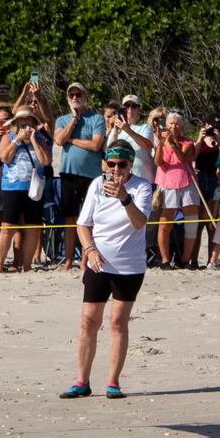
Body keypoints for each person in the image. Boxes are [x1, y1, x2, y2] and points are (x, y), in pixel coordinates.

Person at [61, 142, 152, 400]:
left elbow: (139, 222)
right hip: (98, 263)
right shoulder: (96, 186)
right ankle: (82, 380)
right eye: (111, 164)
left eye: (121, 164)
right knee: (88, 321)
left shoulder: (142, 187)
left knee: (117, 322)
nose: (116, 170)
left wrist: (124, 197)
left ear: (130, 164)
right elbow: (82, 224)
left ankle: (113, 381)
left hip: (129, 266)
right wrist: (89, 250)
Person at [54, 82, 107, 272]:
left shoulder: (97, 118)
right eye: (71, 95)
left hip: (91, 176)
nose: (75, 98)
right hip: (68, 173)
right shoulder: (62, 120)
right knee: (70, 218)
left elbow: (96, 145)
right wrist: (73, 121)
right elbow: (59, 140)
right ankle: (68, 260)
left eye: (78, 94)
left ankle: (85, 261)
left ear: (85, 96)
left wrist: (72, 140)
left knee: (89, 219)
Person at [0, 106, 51, 273]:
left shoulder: (40, 139)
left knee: (33, 227)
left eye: (29, 119)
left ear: (33, 122)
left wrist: (33, 140)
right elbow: (4, 157)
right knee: (8, 226)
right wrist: (17, 140)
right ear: (17, 122)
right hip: (12, 187)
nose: (25, 122)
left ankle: (26, 264)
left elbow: (46, 161)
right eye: (22, 119)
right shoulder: (8, 136)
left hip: (33, 188)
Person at [152, 111, 202, 269]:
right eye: (171, 123)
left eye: (177, 124)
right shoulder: (161, 141)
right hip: (167, 183)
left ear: (182, 126)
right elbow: (158, 162)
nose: (174, 126)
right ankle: (165, 260)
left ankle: (185, 259)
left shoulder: (187, 142)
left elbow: (183, 157)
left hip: (186, 182)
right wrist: (161, 142)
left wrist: (173, 144)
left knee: (191, 222)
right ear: (166, 125)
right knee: (165, 224)